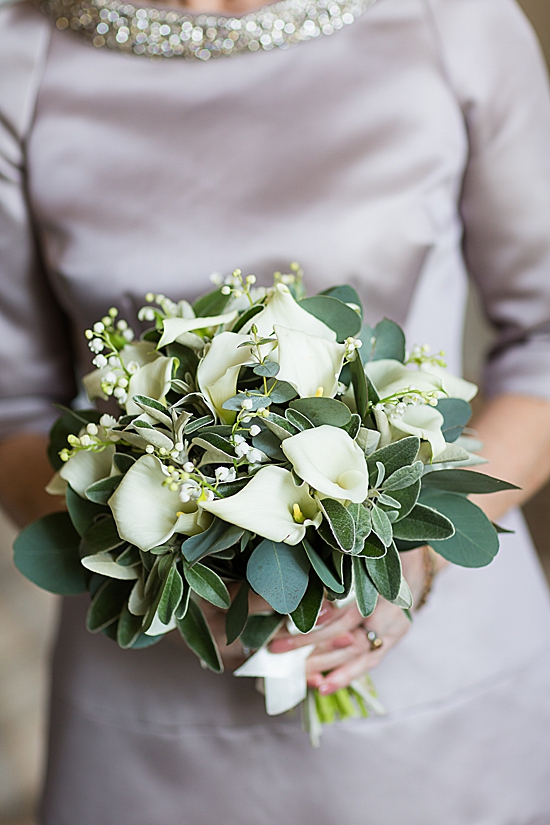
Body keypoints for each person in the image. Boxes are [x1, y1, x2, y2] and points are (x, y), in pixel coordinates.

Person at [1, 0, 550, 821]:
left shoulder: (453, 21)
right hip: (154, 691)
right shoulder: (20, 55)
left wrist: (407, 561)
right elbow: (10, 405)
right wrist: (186, 557)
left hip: (437, 686)